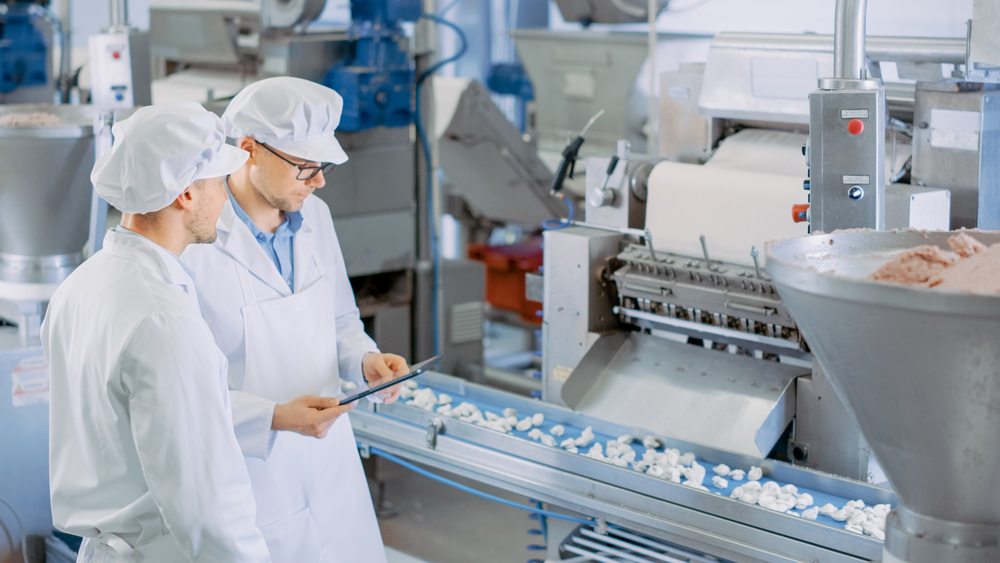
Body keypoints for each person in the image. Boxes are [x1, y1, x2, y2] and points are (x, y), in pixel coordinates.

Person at [42, 103, 285, 562]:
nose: (225, 198)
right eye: (217, 184)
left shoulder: (81, 286)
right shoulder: (162, 317)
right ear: (186, 195)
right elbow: (205, 501)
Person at [182, 77, 408, 562]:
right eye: (306, 167)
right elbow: (183, 390)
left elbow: (340, 319)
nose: (320, 181)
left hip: (330, 466)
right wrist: (273, 418)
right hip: (249, 474)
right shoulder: (194, 242)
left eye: (322, 166)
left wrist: (365, 358)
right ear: (248, 150)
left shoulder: (316, 217)